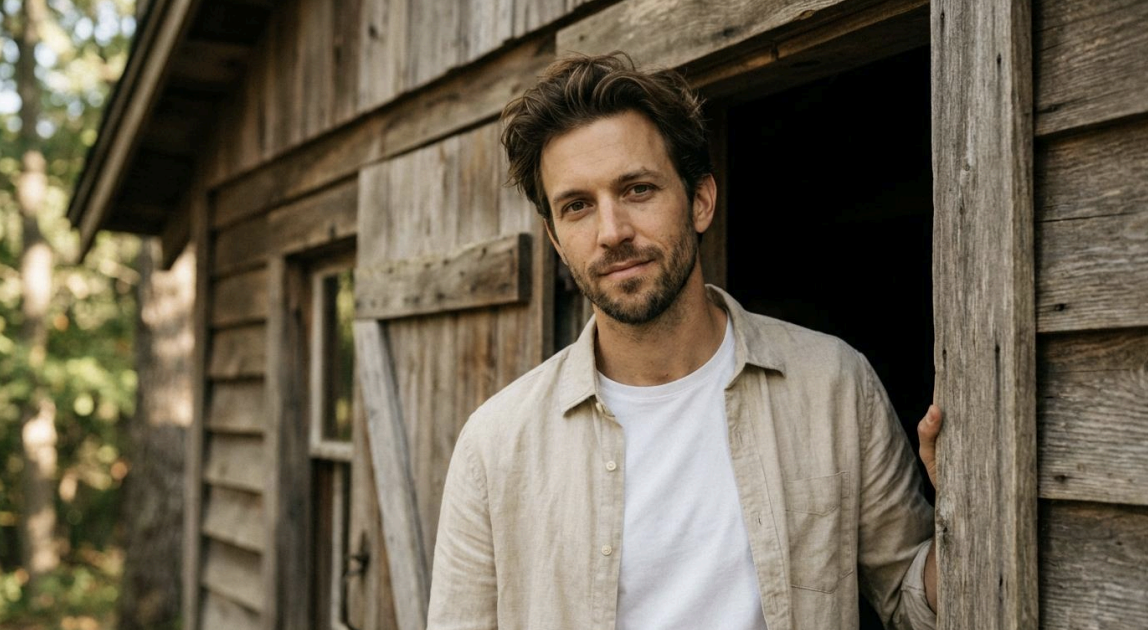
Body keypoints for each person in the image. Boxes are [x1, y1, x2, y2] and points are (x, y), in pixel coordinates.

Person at [427, 52, 942, 630]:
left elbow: (910, 600)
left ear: (700, 200)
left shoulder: (833, 385)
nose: (612, 232)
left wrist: (967, 504)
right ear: (554, 236)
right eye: (577, 206)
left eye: (638, 189)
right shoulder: (496, 445)